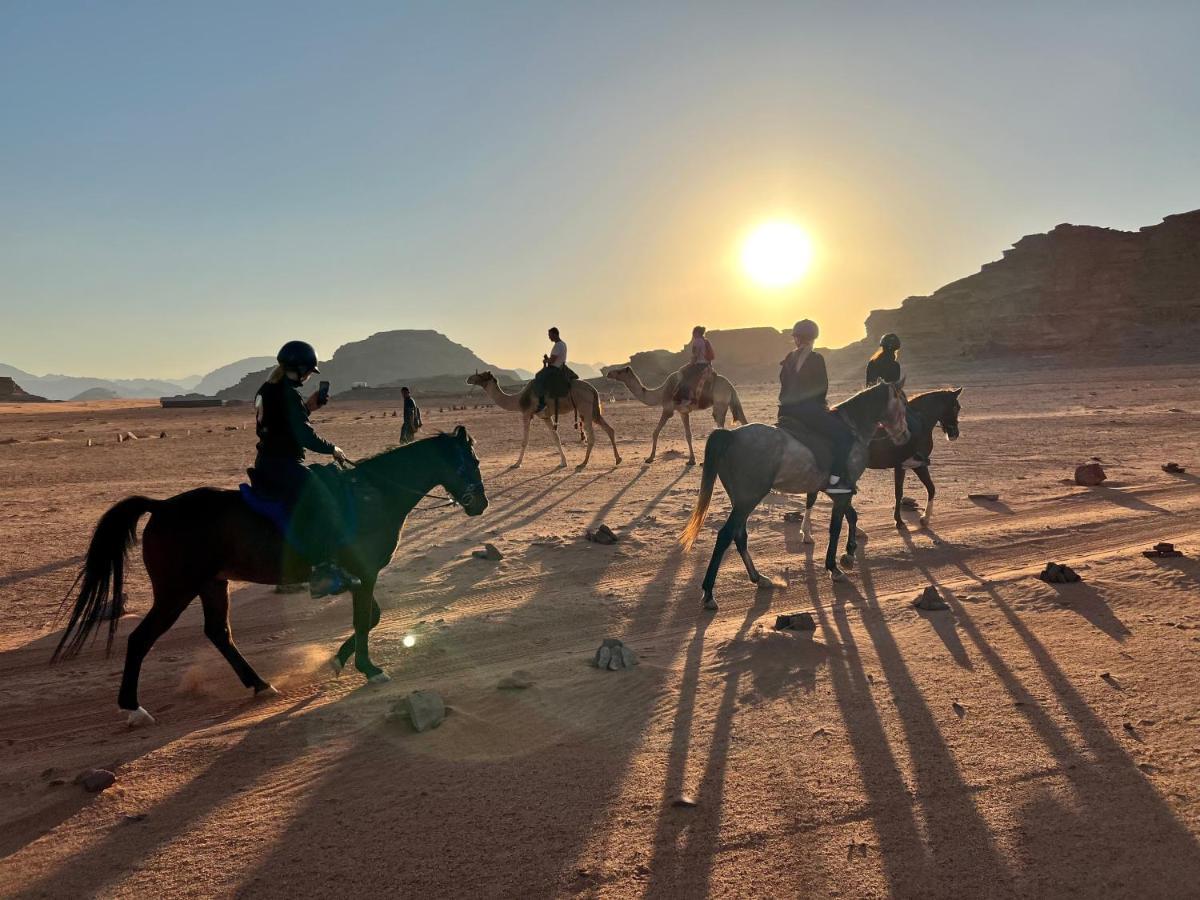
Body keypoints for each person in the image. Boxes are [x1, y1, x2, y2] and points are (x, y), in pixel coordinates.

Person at [250, 340, 360, 597]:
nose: (310, 375)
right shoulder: (287, 393)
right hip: (283, 464)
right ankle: (322, 570)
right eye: (309, 370)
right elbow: (304, 436)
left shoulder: (269, 388)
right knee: (323, 499)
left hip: (267, 461)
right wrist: (333, 449)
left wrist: (308, 407)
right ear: (298, 368)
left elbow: (282, 423)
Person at [777, 319, 856, 493]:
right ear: (814, 338)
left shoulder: (788, 358)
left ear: (796, 338)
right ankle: (835, 482)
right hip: (808, 412)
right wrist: (822, 407)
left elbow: (783, 383)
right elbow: (822, 388)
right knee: (845, 437)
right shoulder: (816, 358)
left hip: (785, 411)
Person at [865, 333, 926, 468]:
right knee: (912, 421)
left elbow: (869, 384)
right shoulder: (894, 365)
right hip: (888, 400)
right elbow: (894, 387)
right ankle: (909, 455)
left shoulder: (872, 363)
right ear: (895, 350)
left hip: (871, 399)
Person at [534, 326, 572, 414]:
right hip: (560, 367)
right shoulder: (563, 344)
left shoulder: (558, 345)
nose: (549, 337)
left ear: (555, 334)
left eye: (550, 335)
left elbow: (552, 360)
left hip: (555, 369)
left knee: (538, 376)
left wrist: (545, 360)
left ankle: (542, 402)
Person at [674, 325, 715, 403]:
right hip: (706, 365)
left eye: (693, 332)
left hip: (700, 365)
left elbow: (695, 355)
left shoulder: (697, 341)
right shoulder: (705, 340)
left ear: (697, 333)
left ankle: (686, 398)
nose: (692, 334)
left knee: (685, 374)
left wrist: (690, 364)